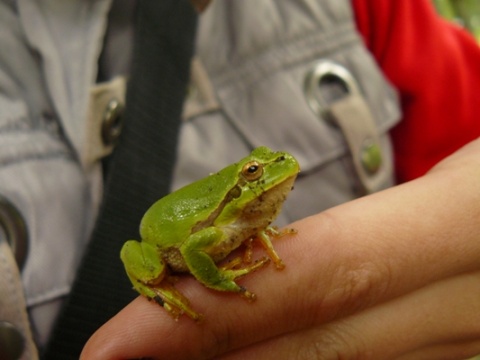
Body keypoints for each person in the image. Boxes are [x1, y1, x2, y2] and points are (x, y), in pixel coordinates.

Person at [1, 0, 479, 359]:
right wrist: (222, 283)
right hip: (162, 246)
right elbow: (191, 250)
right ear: (241, 184)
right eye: (254, 173)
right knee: (149, 261)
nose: (264, 175)